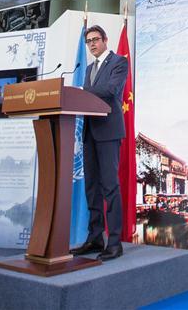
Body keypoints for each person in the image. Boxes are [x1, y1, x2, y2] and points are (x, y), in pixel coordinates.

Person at [70, 25, 129, 261]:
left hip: (109, 132)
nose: (92, 44)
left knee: (109, 186)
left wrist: (82, 90)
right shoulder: (89, 67)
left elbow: (111, 89)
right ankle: (95, 238)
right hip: (89, 133)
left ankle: (114, 243)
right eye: (88, 41)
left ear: (105, 40)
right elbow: (89, 96)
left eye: (95, 40)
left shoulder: (118, 62)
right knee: (91, 187)